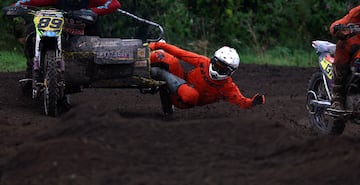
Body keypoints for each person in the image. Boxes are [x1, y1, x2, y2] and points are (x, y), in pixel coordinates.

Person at [9, 0, 121, 88]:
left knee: (85, 61)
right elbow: (33, 1)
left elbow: (114, 3)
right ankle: (32, 69)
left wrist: (93, 11)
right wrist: (17, 5)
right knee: (31, 30)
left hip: (86, 37)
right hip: (61, 34)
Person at [149, 41, 265, 113]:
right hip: (181, 80)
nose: (216, 70)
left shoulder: (228, 87)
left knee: (190, 94)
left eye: (222, 69)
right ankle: (137, 64)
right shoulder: (204, 62)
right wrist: (157, 45)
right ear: (212, 60)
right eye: (216, 65)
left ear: (231, 72)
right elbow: (181, 53)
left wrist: (252, 102)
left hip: (184, 100)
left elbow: (241, 101)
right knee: (161, 56)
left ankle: (160, 75)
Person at [329, 5, 360, 111]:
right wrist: (338, 28)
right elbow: (339, 23)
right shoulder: (357, 13)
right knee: (343, 46)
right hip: (353, 45)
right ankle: (337, 98)